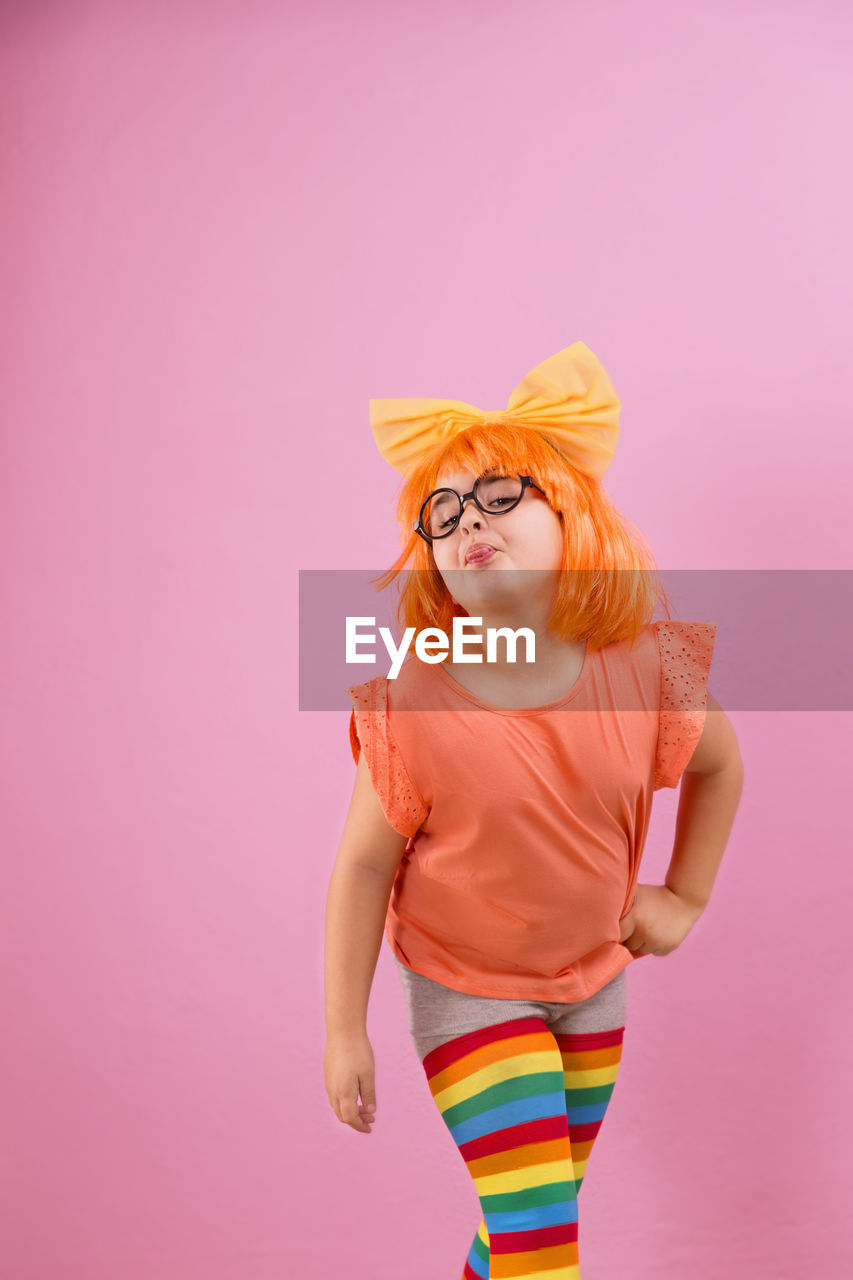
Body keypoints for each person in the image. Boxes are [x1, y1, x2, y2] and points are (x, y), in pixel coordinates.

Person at [323, 341, 744, 1279]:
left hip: (593, 977)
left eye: (499, 496)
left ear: (571, 514)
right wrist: (345, 1030)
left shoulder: (645, 663)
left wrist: (683, 896)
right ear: (432, 561)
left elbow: (721, 766)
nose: (469, 519)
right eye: (444, 511)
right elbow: (361, 868)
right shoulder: (415, 700)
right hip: (465, 984)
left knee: (523, 1221)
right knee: (540, 1237)